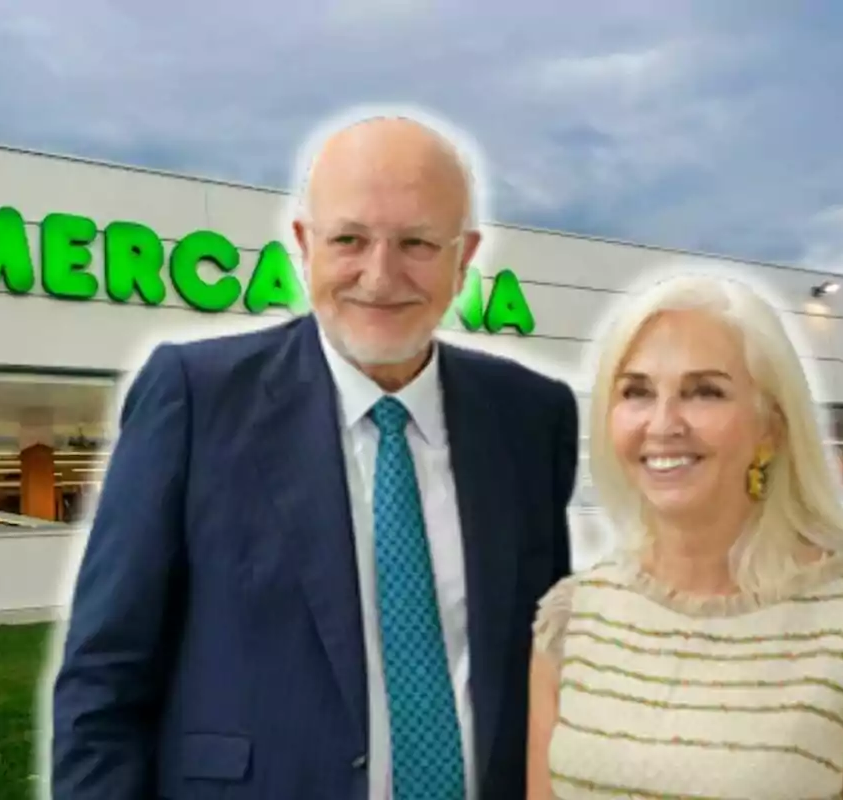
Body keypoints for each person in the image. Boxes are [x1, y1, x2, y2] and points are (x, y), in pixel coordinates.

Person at [50, 112, 580, 799]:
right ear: (304, 244)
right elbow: (104, 683)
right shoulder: (195, 399)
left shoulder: (530, 418)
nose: (380, 276)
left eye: (417, 242)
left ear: (465, 256)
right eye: (349, 239)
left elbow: (542, 662)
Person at [527, 274, 843, 799]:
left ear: (771, 426)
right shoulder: (573, 618)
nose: (663, 422)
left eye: (705, 392)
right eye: (636, 392)